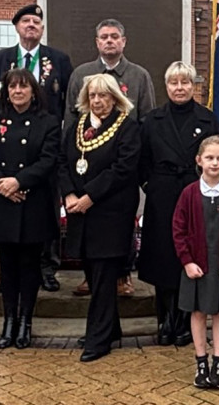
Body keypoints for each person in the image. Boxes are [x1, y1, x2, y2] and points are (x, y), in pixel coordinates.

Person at [0, 3, 72, 294]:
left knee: (46, 210)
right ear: (17, 27)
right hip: (7, 150)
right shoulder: (0, 60)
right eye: (26, 21)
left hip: (44, 149)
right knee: (7, 218)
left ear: (42, 28)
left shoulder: (58, 60)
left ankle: (47, 268)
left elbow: (66, 106)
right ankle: (4, 271)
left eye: (36, 21)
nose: (31, 25)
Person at [65, 19, 155, 298]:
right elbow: (70, 118)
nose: (109, 41)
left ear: (124, 41)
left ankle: (123, 274)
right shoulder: (82, 73)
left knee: (122, 223)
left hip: (122, 166)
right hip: (85, 167)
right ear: (97, 42)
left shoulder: (139, 76)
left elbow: (146, 118)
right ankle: (90, 276)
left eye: (115, 37)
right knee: (89, 226)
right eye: (104, 37)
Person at [0, 68, 61, 350]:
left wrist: (19, 182)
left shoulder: (47, 122)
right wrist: (1, 184)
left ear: (34, 91)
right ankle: (8, 322)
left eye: (24, 87)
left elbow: (49, 160)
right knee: (8, 266)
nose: (18, 92)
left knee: (29, 266)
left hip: (33, 202)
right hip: (2, 202)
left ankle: (25, 322)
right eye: (13, 87)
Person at [139, 62, 219, 347]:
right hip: (162, 195)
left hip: (196, 194)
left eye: (185, 82)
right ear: (166, 86)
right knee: (163, 257)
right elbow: (142, 161)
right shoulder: (152, 120)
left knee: (191, 256)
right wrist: (151, 186)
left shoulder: (207, 119)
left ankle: (187, 320)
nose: (179, 88)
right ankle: (164, 320)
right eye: (174, 82)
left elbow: (217, 156)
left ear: (193, 85)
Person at [58, 73, 142, 362]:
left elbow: (123, 168)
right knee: (93, 274)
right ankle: (110, 327)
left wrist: (89, 196)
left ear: (115, 97)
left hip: (110, 213)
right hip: (81, 212)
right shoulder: (76, 127)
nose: (97, 101)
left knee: (105, 275)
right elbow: (62, 162)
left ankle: (99, 337)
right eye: (93, 95)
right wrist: (69, 194)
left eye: (103, 95)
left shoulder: (127, 128)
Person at [173, 136, 219, 390]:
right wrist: (187, 261)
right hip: (196, 266)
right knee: (198, 312)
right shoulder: (189, 194)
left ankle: (218, 361)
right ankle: (201, 361)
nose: (214, 163)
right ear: (199, 161)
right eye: (209, 158)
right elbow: (178, 229)